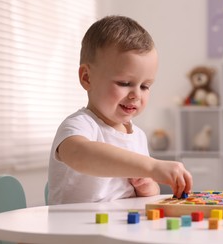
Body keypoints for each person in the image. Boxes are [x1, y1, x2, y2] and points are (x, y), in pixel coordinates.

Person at [48, 15, 192, 205]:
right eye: (125, 83)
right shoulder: (80, 125)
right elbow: (79, 155)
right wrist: (152, 166)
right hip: (75, 232)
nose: (136, 95)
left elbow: (144, 187)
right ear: (87, 78)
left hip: (118, 228)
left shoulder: (137, 136)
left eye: (145, 86)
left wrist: (148, 186)